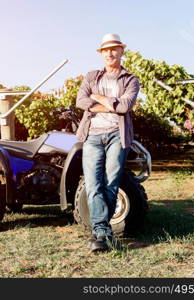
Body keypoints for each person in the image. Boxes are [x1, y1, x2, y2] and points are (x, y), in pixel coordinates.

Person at [75, 33, 140, 252]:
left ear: (122, 51)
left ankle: (99, 233)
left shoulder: (130, 79)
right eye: (105, 50)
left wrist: (99, 98)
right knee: (93, 184)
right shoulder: (92, 76)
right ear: (101, 54)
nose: (110, 53)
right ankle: (102, 232)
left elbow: (124, 107)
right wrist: (111, 103)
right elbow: (81, 101)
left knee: (111, 184)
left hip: (116, 135)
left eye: (114, 49)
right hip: (93, 136)